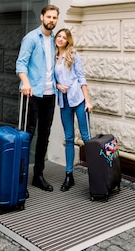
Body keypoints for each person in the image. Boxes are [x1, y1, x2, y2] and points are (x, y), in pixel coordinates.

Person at [16, 4, 60, 192]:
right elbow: (21, 63)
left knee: (44, 136)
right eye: (49, 17)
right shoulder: (32, 38)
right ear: (42, 17)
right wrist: (25, 83)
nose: (51, 20)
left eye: (54, 18)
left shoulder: (55, 41)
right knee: (27, 135)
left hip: (50, 95)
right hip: (32, 94)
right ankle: (20, 178)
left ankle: (38, 176)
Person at [54, 28, 93, 191]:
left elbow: (81, 78)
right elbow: (51, 78)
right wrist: (57, 86)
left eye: (64, 37)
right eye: (59, 36)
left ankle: (95, 172)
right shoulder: (53, 57)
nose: (61, 39)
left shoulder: (74, 55)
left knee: (86, 138)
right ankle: (69, 175)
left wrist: (88, 101)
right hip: (64, 102)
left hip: (78, 99)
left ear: (68, 40)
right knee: (69, 138)